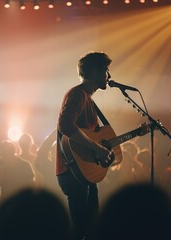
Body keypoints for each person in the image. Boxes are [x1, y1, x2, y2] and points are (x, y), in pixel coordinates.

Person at [56, 51, 113, 240]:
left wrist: (101, 149)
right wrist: (97, 149)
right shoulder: (78, 95)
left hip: (84, 172)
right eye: (105, 70)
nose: (109, 76)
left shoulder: (88, 100)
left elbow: (94, 138)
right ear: (96, 71)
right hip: (73, 172)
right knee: (80, 231)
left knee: (91, 229)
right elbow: (65, 125)